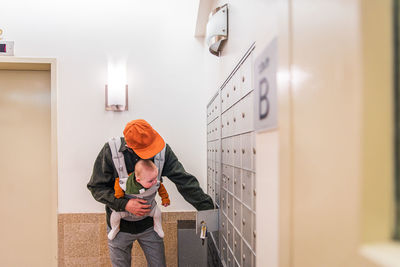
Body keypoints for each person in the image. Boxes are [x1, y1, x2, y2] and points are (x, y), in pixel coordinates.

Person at [87, 119, 214, 267]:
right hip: (119, 228)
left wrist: (209, 210)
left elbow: (184, 181)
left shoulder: (163, 151)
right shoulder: (111, 151)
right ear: (129, 146)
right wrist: (125, 204)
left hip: (150, 226)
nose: (153, 152)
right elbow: (96, 187)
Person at [108, 159, 170, 240]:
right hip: (126, 210)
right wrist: (119, 194)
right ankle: (115, 228)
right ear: (138, 180)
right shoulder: (128, 182)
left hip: (149, 209)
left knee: (157, 213)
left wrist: (165, 199)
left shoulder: (154, 182)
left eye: (155, 178)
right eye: (151, 181)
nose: (155, 181)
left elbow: (162, 190)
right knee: (115, 215)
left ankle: (157, 227)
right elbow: (118, 182)